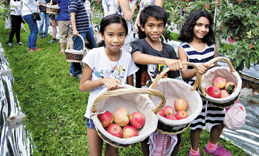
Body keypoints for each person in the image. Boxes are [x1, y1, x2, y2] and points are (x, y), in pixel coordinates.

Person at [79, 14, 139, 156]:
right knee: (95, 154)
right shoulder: (94, 55)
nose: (116, 40)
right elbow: (82, 86)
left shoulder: (127, 57)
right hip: (95, 113)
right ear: (102, 35)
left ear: (126, 35)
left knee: (112, 152)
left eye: (121, 35)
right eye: (110, 35)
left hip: (117, 113)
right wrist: (102, 81)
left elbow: (130, 89)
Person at [177, 10, 232, 156]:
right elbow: (184, 75)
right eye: (199, 25)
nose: (203, 29)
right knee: (197, 123)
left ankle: (212, 146)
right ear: (191, 25)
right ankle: (194, 151)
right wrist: (197, 70)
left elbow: (214, 69)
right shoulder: (184, 48)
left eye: (206, 26)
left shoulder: (212, 45)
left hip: (213, 90)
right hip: (196, 91)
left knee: (219, 118)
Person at [131, 6, 183, 156]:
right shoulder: (139, 44)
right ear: (142, 26)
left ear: (164, 27)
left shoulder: (169, 50)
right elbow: (137, 57)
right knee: (147, 132)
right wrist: (165, 60)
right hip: (145, 99)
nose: (155, 30)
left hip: (165, 100)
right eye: (150, 25)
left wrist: (173, 61)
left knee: (174, 134)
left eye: (159, 26)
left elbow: (174, 79)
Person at [69, 0, 90, 79]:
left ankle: (74, 70)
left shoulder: (79, 1)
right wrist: (74, 29)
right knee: (77, 52)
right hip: (79, 30)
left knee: (80, 50)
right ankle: (76, 72)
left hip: (84, 29)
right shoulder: (74, 1)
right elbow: (72, 15)